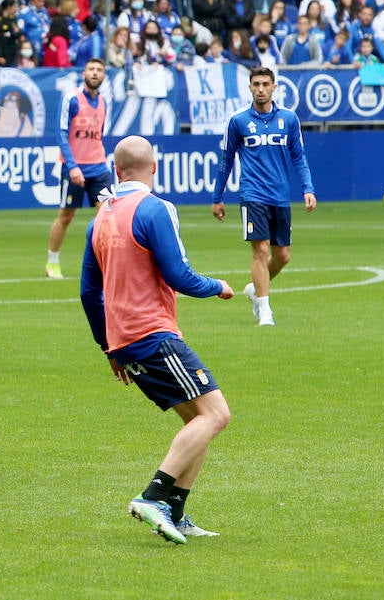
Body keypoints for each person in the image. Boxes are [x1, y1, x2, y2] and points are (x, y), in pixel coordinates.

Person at [80, 135, 236, 545]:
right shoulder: (155, 208)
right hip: (152, 333)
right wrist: (216, 285)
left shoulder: (99, 218)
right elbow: (178, 275)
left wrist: (108, 346)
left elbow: (87, 291)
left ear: (116, 171)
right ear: (155, 167)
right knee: (216, 415)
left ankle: (177, 513)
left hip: (125, 341)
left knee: (196, 419)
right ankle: (153, 496)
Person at [211, 67, 317, 326]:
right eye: (256, 84)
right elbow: (226, 160)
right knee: (260, 249)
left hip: (280, 195)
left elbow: (298, 156)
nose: (260, 88)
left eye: (265, 84)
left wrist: (308, 188)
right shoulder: (238, 121)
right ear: (249, 87)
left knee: (283, 256)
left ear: (274, 87)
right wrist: (218, 196)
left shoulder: (289, 119)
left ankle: (254, 289)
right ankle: (265, 310)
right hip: (252, 193)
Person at [46, 58, 113, 279]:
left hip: (99, 168)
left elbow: (99, 134)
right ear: (84, 73)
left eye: (99, 70)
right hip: (74, 168)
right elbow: (61, 133)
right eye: (91, 69)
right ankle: (52, 261)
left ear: (103, 75)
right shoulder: (72, 99)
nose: (95, 73)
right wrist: (73, 166)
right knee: (66, 216)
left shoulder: (104, 101)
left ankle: (106, 263)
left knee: (109, 215)